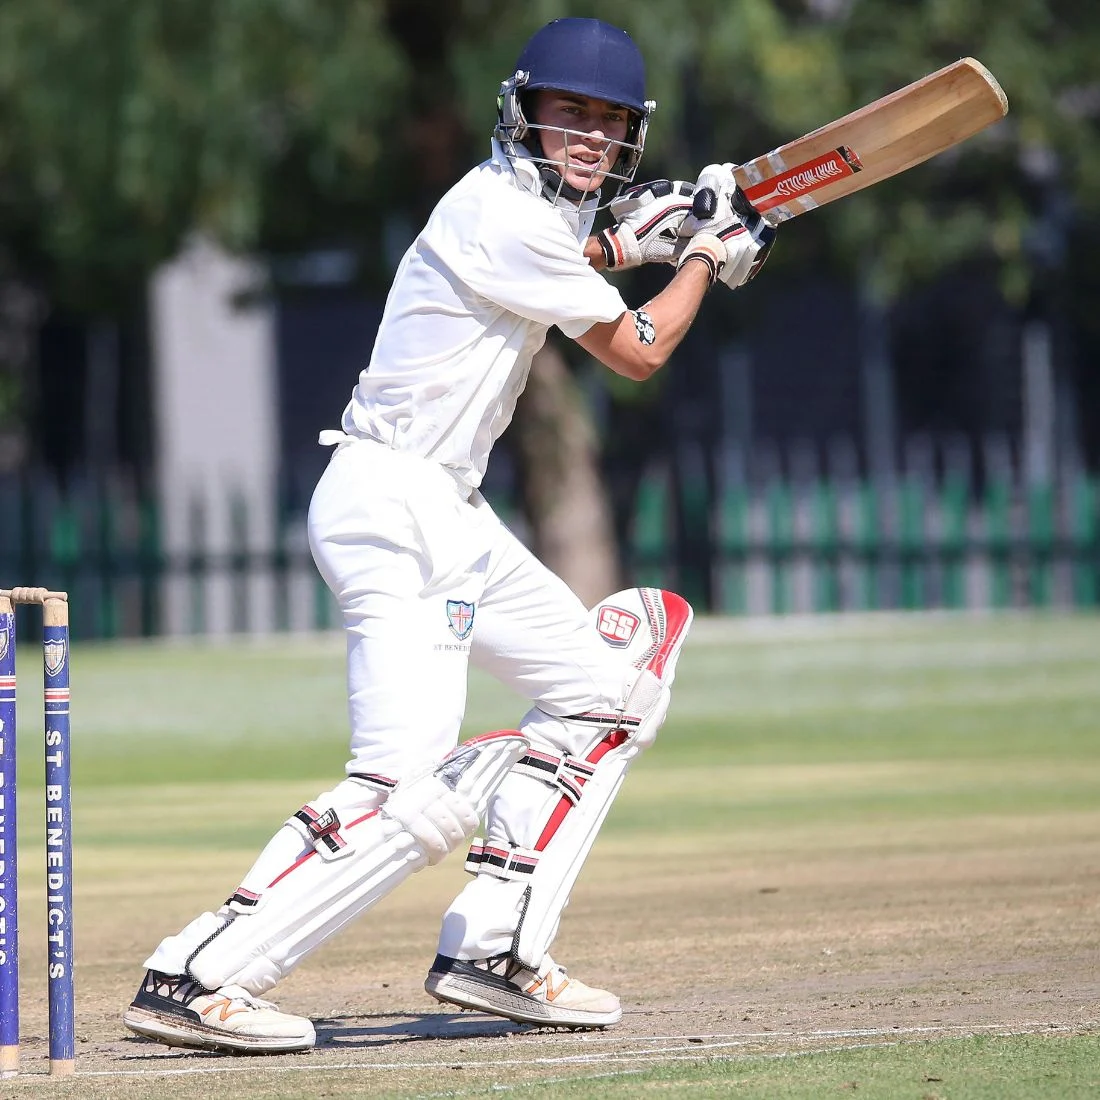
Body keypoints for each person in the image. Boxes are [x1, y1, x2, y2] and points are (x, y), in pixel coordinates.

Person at [122, 16, 774, 1054]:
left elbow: (575, 259)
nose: (589, 139)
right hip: (398, 510)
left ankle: (496, 944)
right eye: (568, 114)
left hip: (445, 510)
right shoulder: (494, 209)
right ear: (522, 113)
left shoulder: (523, 220)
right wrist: (701, 253)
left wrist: (636, 238)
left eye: (608, 124)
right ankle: (199, 972)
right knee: (403, 789)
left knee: (613, 687)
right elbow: (638, 346)